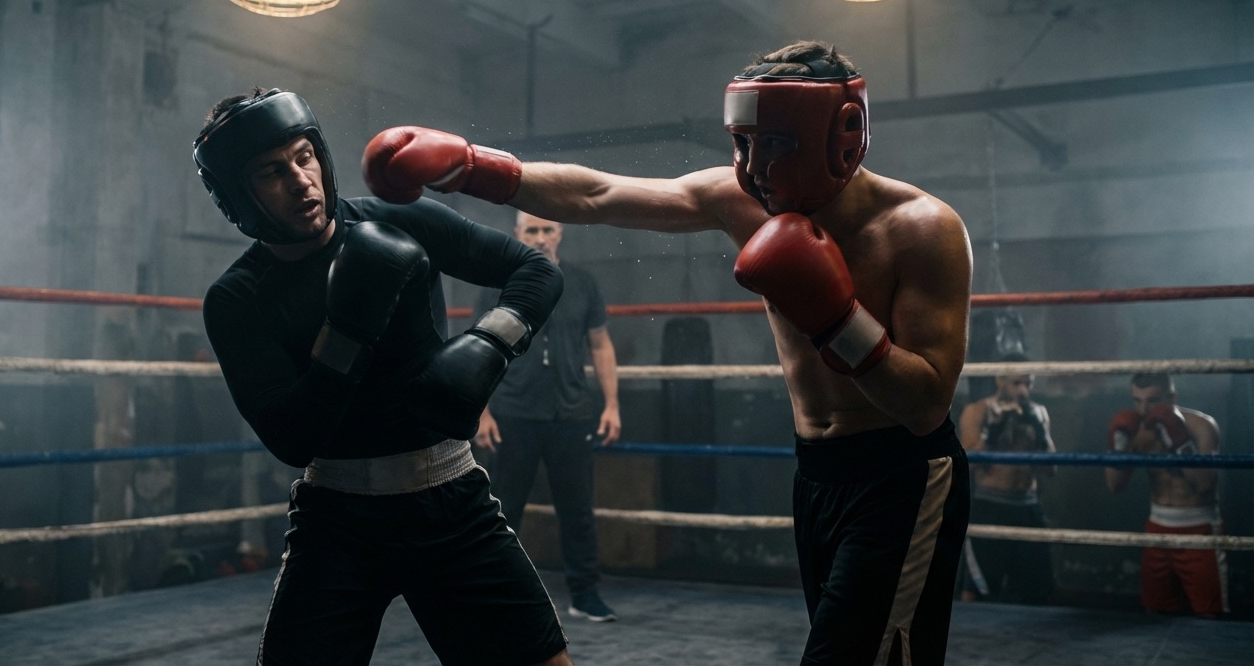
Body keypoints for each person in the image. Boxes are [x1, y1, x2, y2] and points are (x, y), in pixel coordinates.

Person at [362, 40, 974, 665]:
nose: (756, 166)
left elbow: (925, 405)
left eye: (777, 144)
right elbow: (596, 195)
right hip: (816, 473)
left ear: (842, 135)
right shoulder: (744, 200)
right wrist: (472, 168)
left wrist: (836, 317)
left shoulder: (922, 228)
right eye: (744, 143)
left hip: (905, 473)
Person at [193, 88, 574, 665]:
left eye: (303, 157)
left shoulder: (401, 221)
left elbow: (534, 270)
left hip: (450, 499)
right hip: (338, 519)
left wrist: (490, 342)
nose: (301, 180)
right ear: (236, 197)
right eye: (273, 172)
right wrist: (347, 333)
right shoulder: (237, 300)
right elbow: (291, 438)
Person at [474, 212, 622, 623]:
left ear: (560, 233)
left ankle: (585, 594)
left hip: (571, 413)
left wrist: (612, 404)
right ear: (518, 235)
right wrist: (482, 412)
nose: (540, 238)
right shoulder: (500, 282)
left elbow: (600, 344)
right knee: (503, 510)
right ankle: (496, 595)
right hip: (513, 414)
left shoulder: (581, 282)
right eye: (532, 230)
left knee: (578, 510)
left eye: (547, 230)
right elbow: (480, 351)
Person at [1105, 373, 1226, 617]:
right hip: (1157, 528)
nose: (1143, 409)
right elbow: (1114, 486)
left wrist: (1180, 441)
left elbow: (1204, 485)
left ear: (1172, 398)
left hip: (1198, 528)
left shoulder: (1201, 425)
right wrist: (1118, 448)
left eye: (1152, 401)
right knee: (1156, 612)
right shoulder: (1136, 427)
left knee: (1211, 616)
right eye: (1136, 401)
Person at [956, 355, 1056, 604]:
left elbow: (1052, 469)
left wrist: (1041, 433)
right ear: (999, 379)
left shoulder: (1040, 413)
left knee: (1035, 589)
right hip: (990, 505)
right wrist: (992, 432)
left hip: (1028, 506)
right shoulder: (978, 411)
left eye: (1028, 383)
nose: (1023, 390)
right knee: (979, 588)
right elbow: (966, 464)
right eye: (1016, 383)